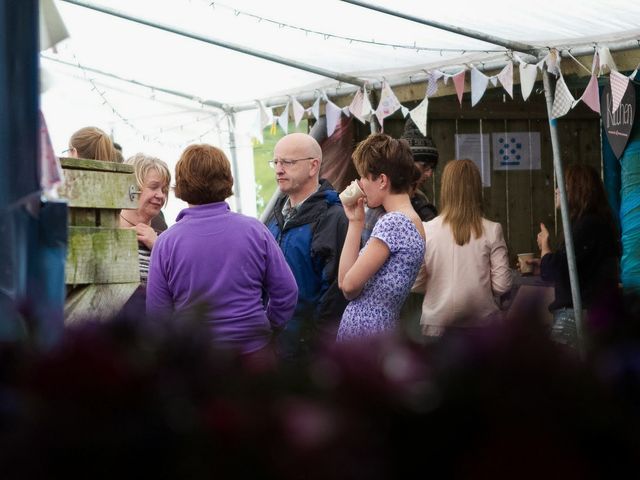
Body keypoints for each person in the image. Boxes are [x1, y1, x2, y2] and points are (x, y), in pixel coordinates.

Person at [147, 144, 298, 364]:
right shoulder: (255, 231)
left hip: (197, 362)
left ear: (180, 185)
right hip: (255, 356)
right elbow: (287, 291)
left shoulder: (166, 243)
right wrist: (268, 328)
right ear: (228, 179)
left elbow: (157, 316)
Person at [265, 132, 348, 362]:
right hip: (275, 346)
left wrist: (313, 343)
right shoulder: (276, 218)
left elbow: (335, 292)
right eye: (276, 162)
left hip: (310, 351)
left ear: (313, 167)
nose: (278, 169)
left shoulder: (335, 218)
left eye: (288, 162)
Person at [337, 133, 425, 341]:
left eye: (364, 177)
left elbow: (348, 287)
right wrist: (355, 222)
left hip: (364, 331)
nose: (361, 184)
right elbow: (345, 282)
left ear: (382, 180)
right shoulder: (413, 220)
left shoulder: (393, 222)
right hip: (382, 329)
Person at [414, 159, 512, 337]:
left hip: (436, 327)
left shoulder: (426, 230)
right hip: (481, 327)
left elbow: (415, 282)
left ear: (446, 189)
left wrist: (438, 288)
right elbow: (502, 285)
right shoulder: (492, 230)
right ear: (476, 189)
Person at [536, 164, 620, 349]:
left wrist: (545, 248)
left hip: (577, 316)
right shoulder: (592, 223)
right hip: (586, 314)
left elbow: (553, 270)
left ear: (578, 190)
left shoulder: (588, 224)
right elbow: (575, 265)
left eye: (563, 185)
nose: (557, 191)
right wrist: (543, 260)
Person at [361, 118, 438, 245]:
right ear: (407, 164)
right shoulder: (385, 214)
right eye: (424, 166)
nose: (429, 173)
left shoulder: (419, 204)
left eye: (432, 168)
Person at [119, 153, 171, 284]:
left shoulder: (166, 242)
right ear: (131, 187)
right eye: (154, 187)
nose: (160, 195)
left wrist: (158, 246)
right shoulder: (105, 235)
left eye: (164, 190)